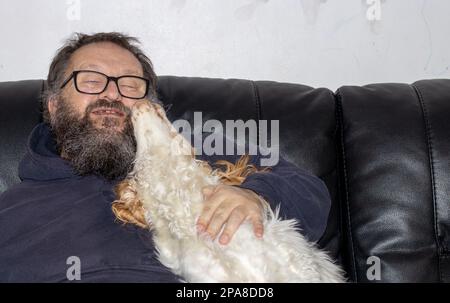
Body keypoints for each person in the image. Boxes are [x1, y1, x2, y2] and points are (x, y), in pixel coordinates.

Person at [0, 32, 331, 282]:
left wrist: (257, 196)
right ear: (53, 106)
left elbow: (311, 193)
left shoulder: (201, 151)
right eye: (91, 81)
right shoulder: (11, 213)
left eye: (131, 85)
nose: (112, 93)